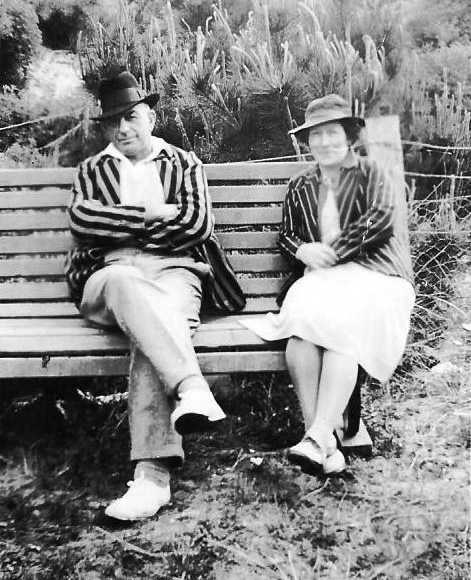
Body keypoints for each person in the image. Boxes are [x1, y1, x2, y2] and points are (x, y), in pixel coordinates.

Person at [65, 71, 245, 521]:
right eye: (112, 123)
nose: (122, 129)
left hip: (175, 273)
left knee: (155, 324)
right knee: (132, 287)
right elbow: (84, 225)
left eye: (130, 117)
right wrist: (153, 214)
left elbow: (196, 225)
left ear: (151, 115)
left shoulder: (184, 163)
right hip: (110, 276)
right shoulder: (92, 170)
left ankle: (151, 478)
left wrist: (121, 223)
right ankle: (191, 387)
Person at [241, 94, 415, 476]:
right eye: (315, 135)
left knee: (341, 327)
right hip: (321, 279)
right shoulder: (301, 184)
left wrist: (332, 251)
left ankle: (318, 436)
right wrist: (303, 250)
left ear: (349, 135)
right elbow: (286, 236)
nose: (323, 142)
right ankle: (319, 439)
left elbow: (381, 219)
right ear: (307, 141)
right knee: (301, 330)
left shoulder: (373, 172)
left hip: (376, 276)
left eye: (332, 132)